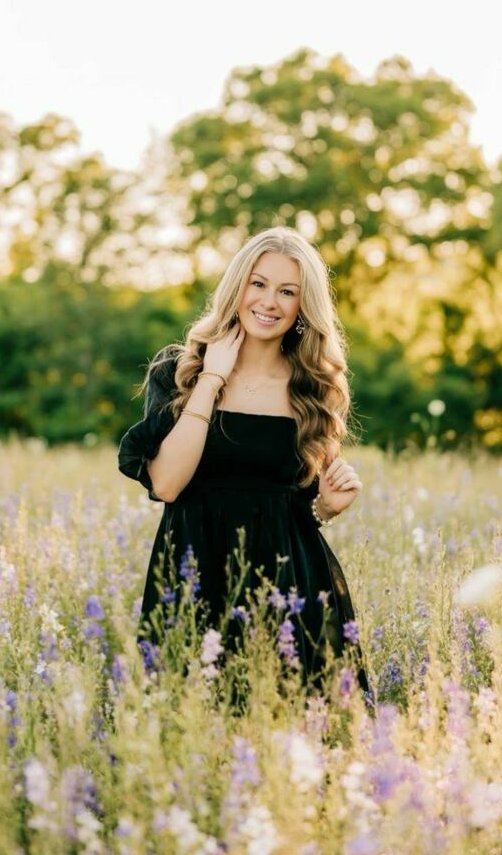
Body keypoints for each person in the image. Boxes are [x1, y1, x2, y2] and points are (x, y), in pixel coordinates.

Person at [118, 226, 372, 704]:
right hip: (193, 577)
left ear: (303, 305)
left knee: (287, 724)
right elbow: (167, 484)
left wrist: (325, 509)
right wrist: (212, 378)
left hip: (286, 588)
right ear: (238, 286)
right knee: (186, 723)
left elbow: (296, 511)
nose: (269, 302)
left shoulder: (313, 389)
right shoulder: (180, 371)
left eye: (287, 291)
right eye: (258, 283)